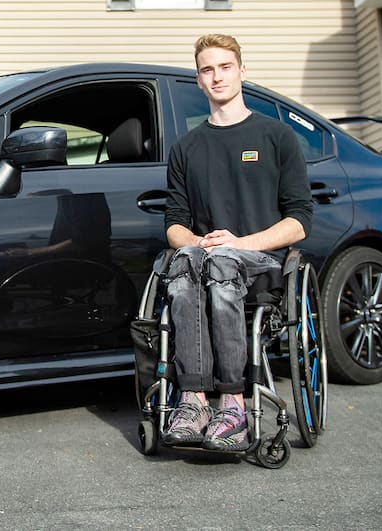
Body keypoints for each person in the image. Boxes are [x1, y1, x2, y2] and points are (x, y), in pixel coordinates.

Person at [161, 34, 313, 451]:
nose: (217, 76)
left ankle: (232, 403)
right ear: (198, 79)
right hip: (206, 260)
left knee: (223, 262)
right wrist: (197, 242)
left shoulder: (276, 137)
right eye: (208, 69)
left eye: (225, 67)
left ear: (242, 71)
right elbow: (174, 224)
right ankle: (193, 400)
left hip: (260, 262)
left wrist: (240, 242)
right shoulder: (186, 148)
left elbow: (299, 222)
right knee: (184, 261)